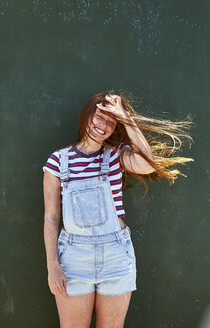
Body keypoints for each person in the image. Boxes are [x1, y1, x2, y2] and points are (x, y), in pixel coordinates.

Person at [42, 92, 193, 328]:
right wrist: (53, 267)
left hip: (115, 256)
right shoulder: (58, 162)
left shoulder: (116, 155)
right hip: (74, 258)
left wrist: (127, 119)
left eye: (111, 123)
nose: (103, 126)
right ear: (87, 115)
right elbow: (51, 217)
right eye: (100, 117)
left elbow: (147, 164)